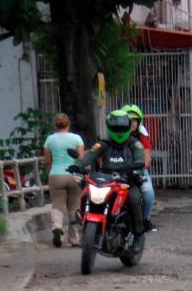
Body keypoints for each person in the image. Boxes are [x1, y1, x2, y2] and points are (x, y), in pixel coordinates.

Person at [70, 110, 146, 238]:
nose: (119, 131)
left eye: (122, 128)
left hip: (127, 181)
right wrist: (77, 165)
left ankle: (138, 231)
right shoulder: (104, 143)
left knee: (134, 198)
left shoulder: (135, 144)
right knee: (86, 194)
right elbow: (90, 154)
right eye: (116, 128)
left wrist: (136, 168)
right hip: (105, 180)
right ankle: (83, 218)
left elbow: (140, 159)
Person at [42, 113, 84, 248]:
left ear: (55, 125)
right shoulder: (77, 138)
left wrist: (49, 173)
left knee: (57, 205)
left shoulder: (49, 140)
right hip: (75, 175)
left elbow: (47, 161)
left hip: (56, 174)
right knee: (74, 207)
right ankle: (74, 239)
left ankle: (57, 227)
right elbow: (81, 159)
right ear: (68, 124)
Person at [122, 105, 157, 232]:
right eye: (129, 120)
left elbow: (147, 156)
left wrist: (142, 165)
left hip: (138, 170)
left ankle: (145, 219)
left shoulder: (142, 135)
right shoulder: (115, 134)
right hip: (118, 170)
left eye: (135, 120)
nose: (132, 123)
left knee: (148, 194)